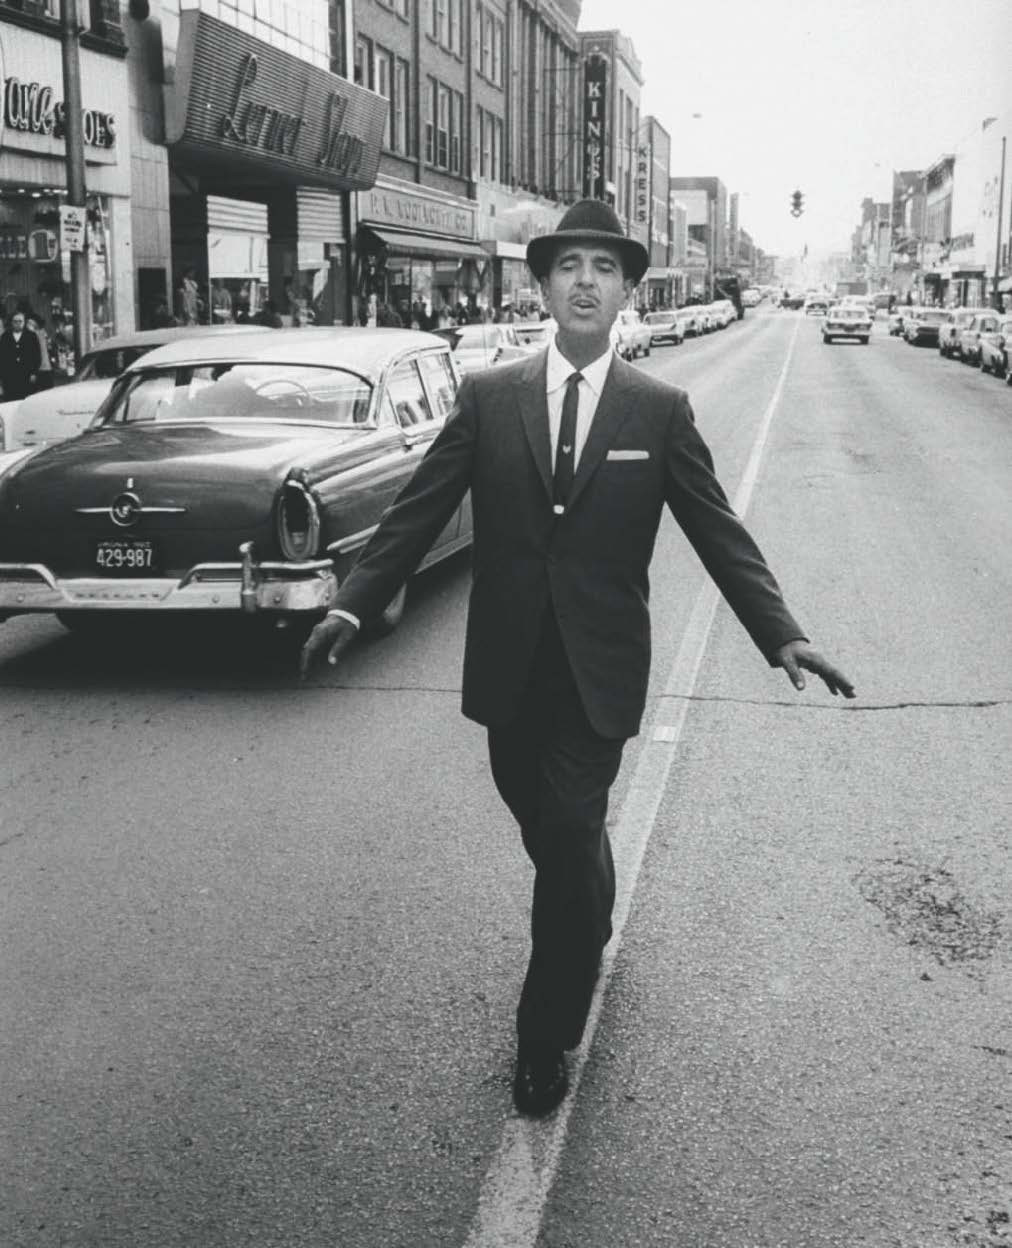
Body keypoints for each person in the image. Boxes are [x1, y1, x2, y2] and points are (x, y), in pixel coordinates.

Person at [299, 199, 855, 1118]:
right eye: (569, 266)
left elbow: (716, 529)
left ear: (627, 290)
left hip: (599, 676)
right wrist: (354, 602)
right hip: (509, 671)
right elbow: (419, 509)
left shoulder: (658, 410)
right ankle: (590, 903)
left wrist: (781, 631)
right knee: (554, 833)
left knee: (563, 837)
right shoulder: (490, 397)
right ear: (544, 286)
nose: (586, 281)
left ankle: (543, 1036)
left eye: (604, 267)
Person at [0, 309, 43, 400]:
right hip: (10, 377)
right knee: (11, 401)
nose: (18, 324)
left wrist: (34, 373)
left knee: (27, 400)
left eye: (20, 321)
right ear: (11, 322)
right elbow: (2, 358)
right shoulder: (5, 337)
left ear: (24, 322)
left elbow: (37, 356)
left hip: (27, 375)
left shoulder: (31, 336)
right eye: (15, 321)